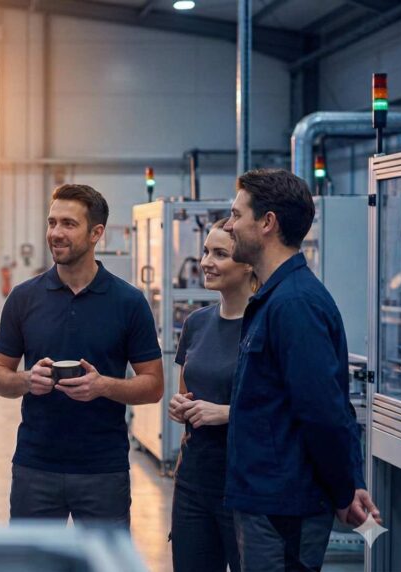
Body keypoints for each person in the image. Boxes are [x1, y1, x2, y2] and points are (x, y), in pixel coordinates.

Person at [223, 168, 381, 570]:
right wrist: (349, 482)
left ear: (267, 223)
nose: (229, 224)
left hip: (283, 506)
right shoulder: (274, 298)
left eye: (237, 214)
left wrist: (346, 488)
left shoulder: (294, 304)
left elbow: (323, 410)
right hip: (266, 497)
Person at [0, 183, 163, 528]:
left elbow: (153, 385)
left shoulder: (128, 302)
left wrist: (103, 387)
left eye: (68, 224)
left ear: (96, 232)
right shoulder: (24, 299)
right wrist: (26, 380)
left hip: (103, 468)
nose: (55, 232)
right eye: (52, 223)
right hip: (35, 466)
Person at [168, 219, 256, 572]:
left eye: (220, 253)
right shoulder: (196, 323)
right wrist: (180, 406)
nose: (206, 262)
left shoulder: (266, 323)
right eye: (206, 251)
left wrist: (227, 413)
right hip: (194, 479)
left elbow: (287, 405)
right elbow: (185, 393)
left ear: (248, 262)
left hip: (245, 483)